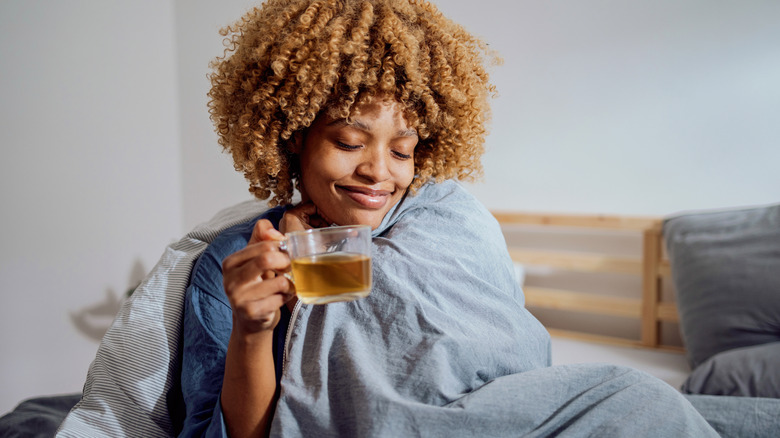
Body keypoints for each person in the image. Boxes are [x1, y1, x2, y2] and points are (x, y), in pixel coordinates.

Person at [179, 1, 720, 437]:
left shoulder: (447, 215)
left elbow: (517, 361)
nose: (378, 173)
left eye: (402, 151)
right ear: (295, 135)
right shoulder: (237, 260)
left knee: (645, 401)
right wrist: (255, 328)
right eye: (349, 142)